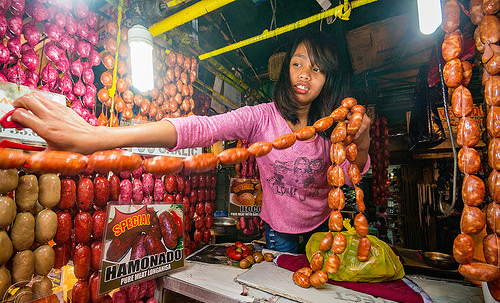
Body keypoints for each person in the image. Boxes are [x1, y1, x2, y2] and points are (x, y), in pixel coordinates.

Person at [11, 31, 371, 254]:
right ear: (286, 68)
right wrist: (101, 136)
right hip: (278, 231)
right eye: (298, 63)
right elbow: (200, 128)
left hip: (327, 227)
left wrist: (364, 140)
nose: (305, 75)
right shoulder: (261, 117)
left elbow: (351, 175)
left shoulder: (335, 127)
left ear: (330, 78)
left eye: (318, 69)